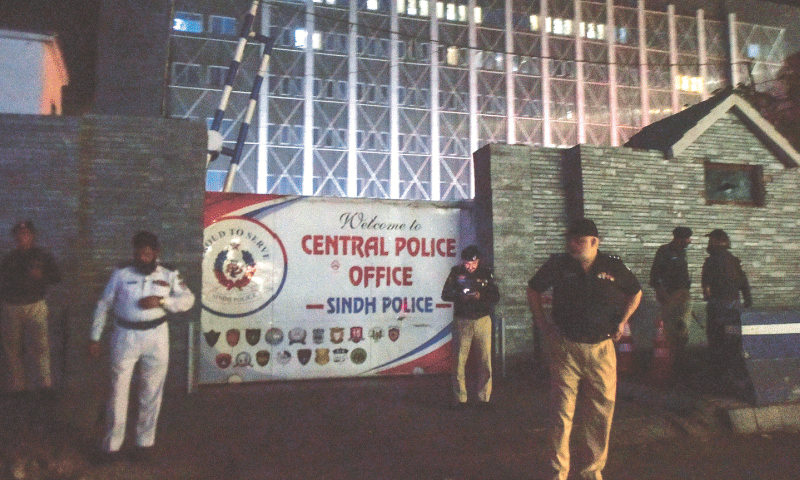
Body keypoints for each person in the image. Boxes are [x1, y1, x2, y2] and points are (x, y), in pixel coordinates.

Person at [527, 218, 642, 480]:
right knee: (561, 413)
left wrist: (623, 321)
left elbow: (635, 292)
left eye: (578, 240)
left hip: (602, 349)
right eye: (570, 239)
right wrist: (542, 322)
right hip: (566, 348)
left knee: (600, 413)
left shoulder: (613, 265)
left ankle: (592, 471)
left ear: (594, 242)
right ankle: (558, 473)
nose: (571, 244)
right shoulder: (558, 264)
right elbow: (533, 289)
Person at [88, 231, 195, 462]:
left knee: (151, 392)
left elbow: (188, 300)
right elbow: (103, 304)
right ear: (134, 252)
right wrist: (94, 337)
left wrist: (163, 301)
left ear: (156, 253)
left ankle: (144, 445)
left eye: (149, 252)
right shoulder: (121, 273)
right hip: (125, 336)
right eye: (140, 252)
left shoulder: (169, 273)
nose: (144, 256)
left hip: (156, 336)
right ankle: (111, 448)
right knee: (118, 392)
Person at [0, 220, 61, 394]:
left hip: (35, 305)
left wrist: (42, 275)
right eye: (19, 234)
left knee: (41, 347)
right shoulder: (9, 258)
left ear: (32, 236)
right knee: (13, 349)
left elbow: (57, 277)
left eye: (26, 234)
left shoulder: (42, 256)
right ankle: (19, 388)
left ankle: (45, 386)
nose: (22, 237)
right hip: (12, 306)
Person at [441, 245, 499, 410]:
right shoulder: (455, 272)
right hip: (462, 321)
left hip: (482, 320)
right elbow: (445, 294)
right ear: (462, 262)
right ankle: (460, 400)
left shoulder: (486, 273)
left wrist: (482, 296)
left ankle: (484, 398)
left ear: (478, 261)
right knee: (459, 361)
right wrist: (459, 296)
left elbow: (496, 295)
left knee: (485, 360)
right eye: (467, 263)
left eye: (473, 263)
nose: (470, 266)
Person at [701, 229, 752, 392]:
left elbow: (706, 287)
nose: (709, 244)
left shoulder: (711, 261)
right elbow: (744, 282)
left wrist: (709, 298)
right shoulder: (734, 260)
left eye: (711, 240)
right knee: (734, 342)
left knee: (717, 341)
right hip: (734, 305)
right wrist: (748, 301)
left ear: (718, 241)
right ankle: (737, 378)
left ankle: (718, 379)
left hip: (718, 305)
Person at [649, 226, 693, 381]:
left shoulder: (683, 252)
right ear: (677, 238)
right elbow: (655, 275)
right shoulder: (664, 251)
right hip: (669, 296)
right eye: (686, 238)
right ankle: (671, 368)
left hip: (683, 295)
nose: (688, 241)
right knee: (670, 333)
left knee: (683, 331)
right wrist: (661, 292)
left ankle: (681, 365)